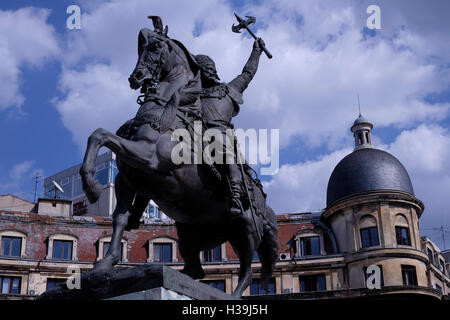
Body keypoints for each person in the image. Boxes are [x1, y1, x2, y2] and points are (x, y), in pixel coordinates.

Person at [194, 38, 264, 217]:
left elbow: (247, 73)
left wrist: (256, 52)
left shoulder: (229, 89)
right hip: (195, 135)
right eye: (202, 69)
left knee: (221, 145)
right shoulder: (193, 95)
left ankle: (235, 195)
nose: (207, 72)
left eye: (209, 68)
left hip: (220, 135)